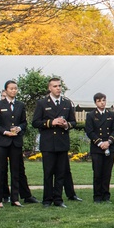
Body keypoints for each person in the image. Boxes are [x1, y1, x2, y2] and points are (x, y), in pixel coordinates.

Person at [32, 77, 76, 208]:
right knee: (48, 172)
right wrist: (51, 123)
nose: (58, 88)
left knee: (61, 172)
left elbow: (73, 122)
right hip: (48, 143)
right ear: (49, 88)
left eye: (59, 86)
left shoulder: (67, 103)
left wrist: (66, 125)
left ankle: (58, 199)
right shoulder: (42, 103)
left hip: (62, 142)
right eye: (55, 86)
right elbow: (35, 122)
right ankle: (47, 199)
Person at [0, 81, 30, 207]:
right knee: (1, 170)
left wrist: (19, 128)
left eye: (15, 89)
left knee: (15, 170)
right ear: (6, 90)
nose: (14, 91)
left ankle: (15, 198)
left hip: (16, 142)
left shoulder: (20, 105)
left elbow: (24, 122)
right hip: (2, 142)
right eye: (11, 88)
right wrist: (5, 132)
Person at [85, 92, 114, 204]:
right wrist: (100, 143)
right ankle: (97, 196)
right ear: (95, 102)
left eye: (104, 100)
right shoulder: (90, 115)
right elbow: (89, 131)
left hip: (109, 146)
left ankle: (106, 196)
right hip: (97, 148)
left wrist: (108, 142)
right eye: (99, 101)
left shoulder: (111, 115)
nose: (102, 103)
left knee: (107, 173)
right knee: (98, 172)